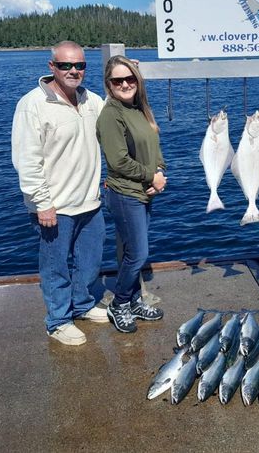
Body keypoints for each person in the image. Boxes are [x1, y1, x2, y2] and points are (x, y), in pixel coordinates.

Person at [11, 40, 108, 346]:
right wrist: (42, 203)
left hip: (89, 202)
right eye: (66, 65)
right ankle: (58, 320)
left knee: (90, 262)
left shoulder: (92, 100)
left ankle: (81, 304)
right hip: (54, 206)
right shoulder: (32, 104)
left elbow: (116, 132)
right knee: (56, 267)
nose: (73, 71)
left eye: (79, 65)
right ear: (51, 66)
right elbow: (27, 159)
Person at [97, 55, 166, 333]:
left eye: (130, 78)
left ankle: (134, 300)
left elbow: (154, 147)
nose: (125, 84)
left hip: (143, 192)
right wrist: (151, 176)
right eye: (118, 80)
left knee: (133, 252)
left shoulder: (140, 110)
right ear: (108, 84)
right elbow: (118, 161)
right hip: (125, 195)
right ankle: (120, 303)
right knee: (137, 254)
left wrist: (160, 171)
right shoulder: (111, 115)